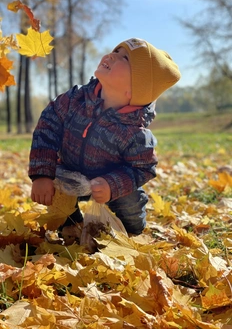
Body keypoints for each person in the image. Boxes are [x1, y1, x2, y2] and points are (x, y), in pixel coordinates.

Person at [28, 37, 181, 235]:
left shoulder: (135, 133)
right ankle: (70, 225)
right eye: (116, 51)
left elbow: (142, 168)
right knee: (57, 186)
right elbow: (47, 126)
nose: (112, 55)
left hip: (110, 183)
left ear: (135, 88)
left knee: (130, 205)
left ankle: (129, 231)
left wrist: (112, 184)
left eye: (124, 58)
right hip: (70, 172)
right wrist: (42, 174)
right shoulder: (75, 100)